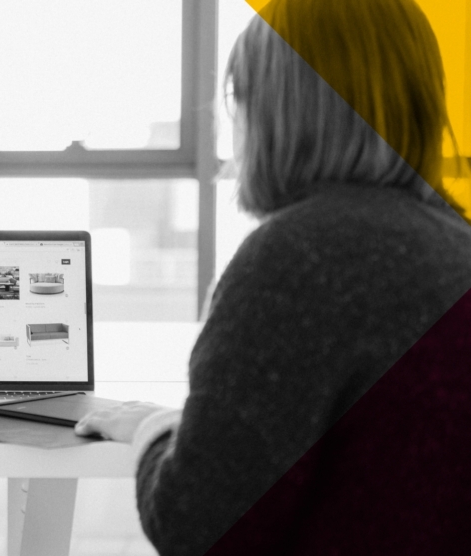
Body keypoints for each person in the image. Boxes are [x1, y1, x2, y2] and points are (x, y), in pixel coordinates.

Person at [75, 0, 471, 554]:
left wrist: (154, 430)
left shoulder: (297, 258)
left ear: (274, 109)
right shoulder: (456, 241)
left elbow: (195, 525)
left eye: (238, 98)